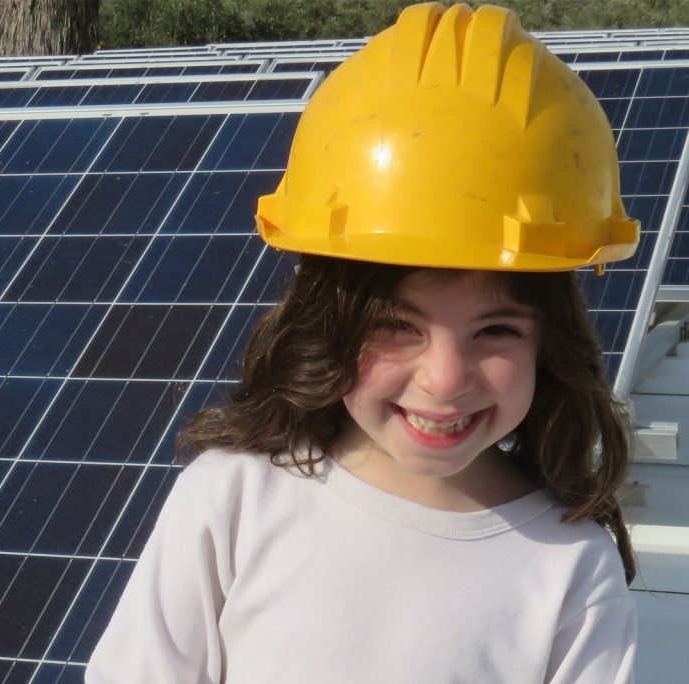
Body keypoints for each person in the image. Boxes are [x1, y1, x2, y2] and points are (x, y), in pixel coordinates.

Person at [85, 2, 640, 682]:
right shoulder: (232, 500)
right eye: (397, 327)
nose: (444, 378)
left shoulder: (571, 565)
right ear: (328, 327)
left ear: (551, 347)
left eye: (495, 331)